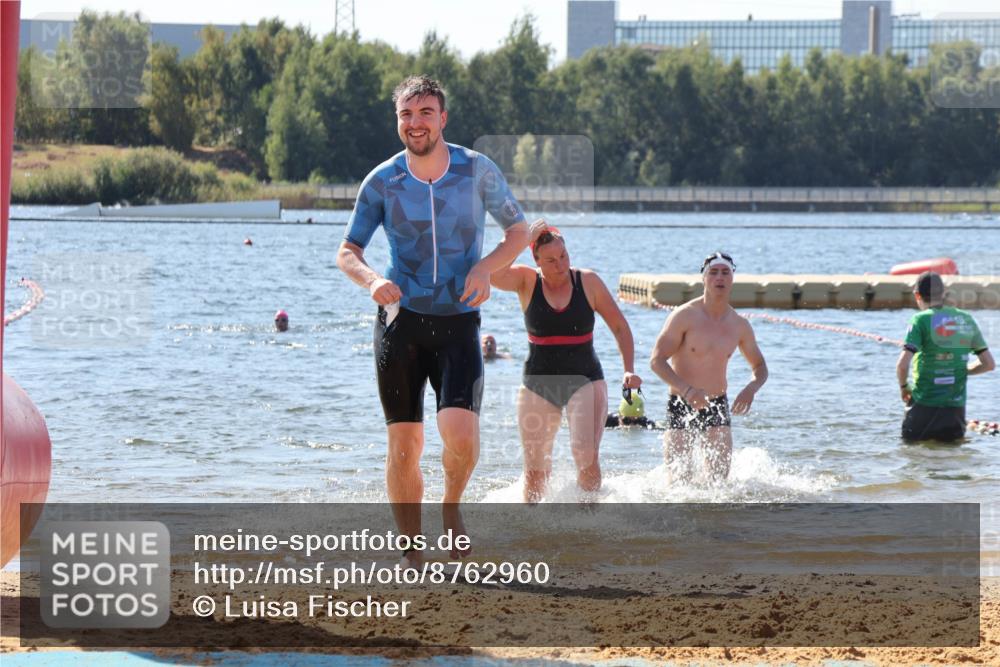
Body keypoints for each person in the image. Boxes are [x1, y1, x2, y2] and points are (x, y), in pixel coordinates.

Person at [336, 76, 530, 564]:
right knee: (405, 446)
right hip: (402, 323)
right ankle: (411, 552)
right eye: (407, 114)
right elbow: (348, 251)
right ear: (397, 121)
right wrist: (372, 281)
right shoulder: (382, 181)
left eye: (425, 113)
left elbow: (519, 230)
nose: (416, 123)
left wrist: (487, 268)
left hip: (459, 321)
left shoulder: (476, 171)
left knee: (461, 438)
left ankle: (451, 505)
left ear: (442, 118)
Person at [491, 225, 642, 502]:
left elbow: (620, 328)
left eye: (563, 255)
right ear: (536, 260)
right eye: (550, 260)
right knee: (535, 470)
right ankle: (534, 528)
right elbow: (492, 274)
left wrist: (628, 368)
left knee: (584, 454)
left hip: (585, 379)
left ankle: (588, 522)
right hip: (538, 382)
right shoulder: (526, 281)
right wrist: (522, 240)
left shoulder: (588, 282)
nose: (560, 265)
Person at [649, 251, 768, 482]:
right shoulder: (684, 316)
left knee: (719, 485)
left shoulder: (739, 325)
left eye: (725, 273)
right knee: (678, 484)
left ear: (732, 278)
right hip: (681, 402)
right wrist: (687, 391)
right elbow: (656, 361)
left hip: (717, 404)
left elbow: (760, 366)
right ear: (704, 278)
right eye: (713, 273)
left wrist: (751, 388)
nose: (719, 278)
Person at [896, 271, 994, 443]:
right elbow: (989, 364)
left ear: (917, 295)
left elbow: (902, 365)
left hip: (922, 406)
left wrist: (904, 387)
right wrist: (961, 370)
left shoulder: (919, 320)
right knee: (951, 460)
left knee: (912, 456)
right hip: (954, 412)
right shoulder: (965, 319)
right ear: (943, 293)